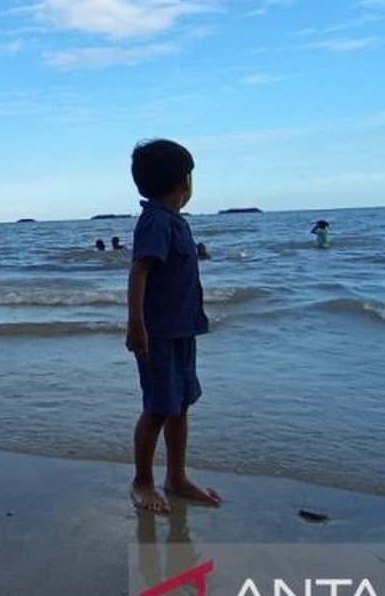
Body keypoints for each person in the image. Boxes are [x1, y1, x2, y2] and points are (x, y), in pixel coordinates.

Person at [126, 138, 219, 515]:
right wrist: (137, 324)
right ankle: (142, 480)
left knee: (180, 405)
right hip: (158, 334)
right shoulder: (156, 222)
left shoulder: (176, 222)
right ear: (185, 182)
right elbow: (139, 271)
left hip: (183, 330)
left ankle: (176, 477)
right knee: (158, 408)